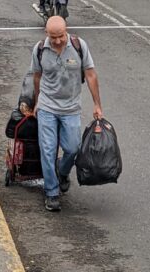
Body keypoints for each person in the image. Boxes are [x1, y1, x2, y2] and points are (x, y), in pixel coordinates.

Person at [31, 15, 103, 212]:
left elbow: (90, 74)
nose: (57, 41)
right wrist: (37, 102)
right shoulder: (39, 49)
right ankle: (51, 192)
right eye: (52, 37)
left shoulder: (79, 45)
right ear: (46, 33)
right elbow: (37, 77)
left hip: (71, 108)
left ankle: (62, 171)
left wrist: (97, 104)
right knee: (47, 149)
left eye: (60, 36)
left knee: (73, 148)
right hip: (47, 106)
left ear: (66, 30)